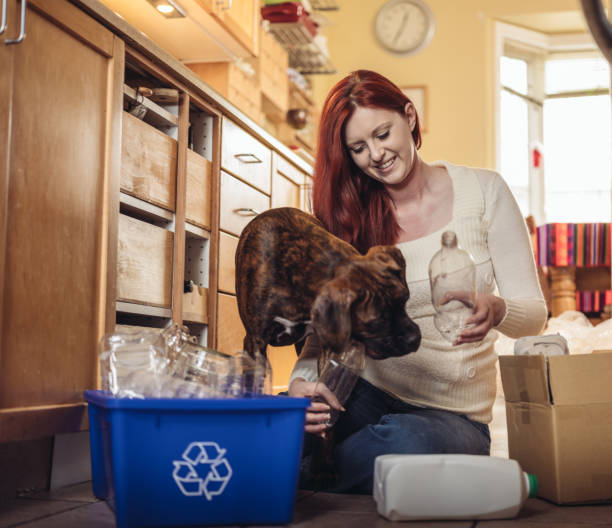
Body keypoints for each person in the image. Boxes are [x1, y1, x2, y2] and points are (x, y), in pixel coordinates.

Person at [287, 70, 547, 494]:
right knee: (283, 420)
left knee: (405, 441)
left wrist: (498, 309)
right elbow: (323, 328)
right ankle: (300, 466)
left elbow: (534, 317)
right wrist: (301, 382)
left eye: (383, 133)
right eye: (358, 148)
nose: (376, 154)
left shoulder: (485, 192)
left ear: (409, 116)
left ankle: (294, 476)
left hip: (451, 417)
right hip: (360, 390)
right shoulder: (350, 219)